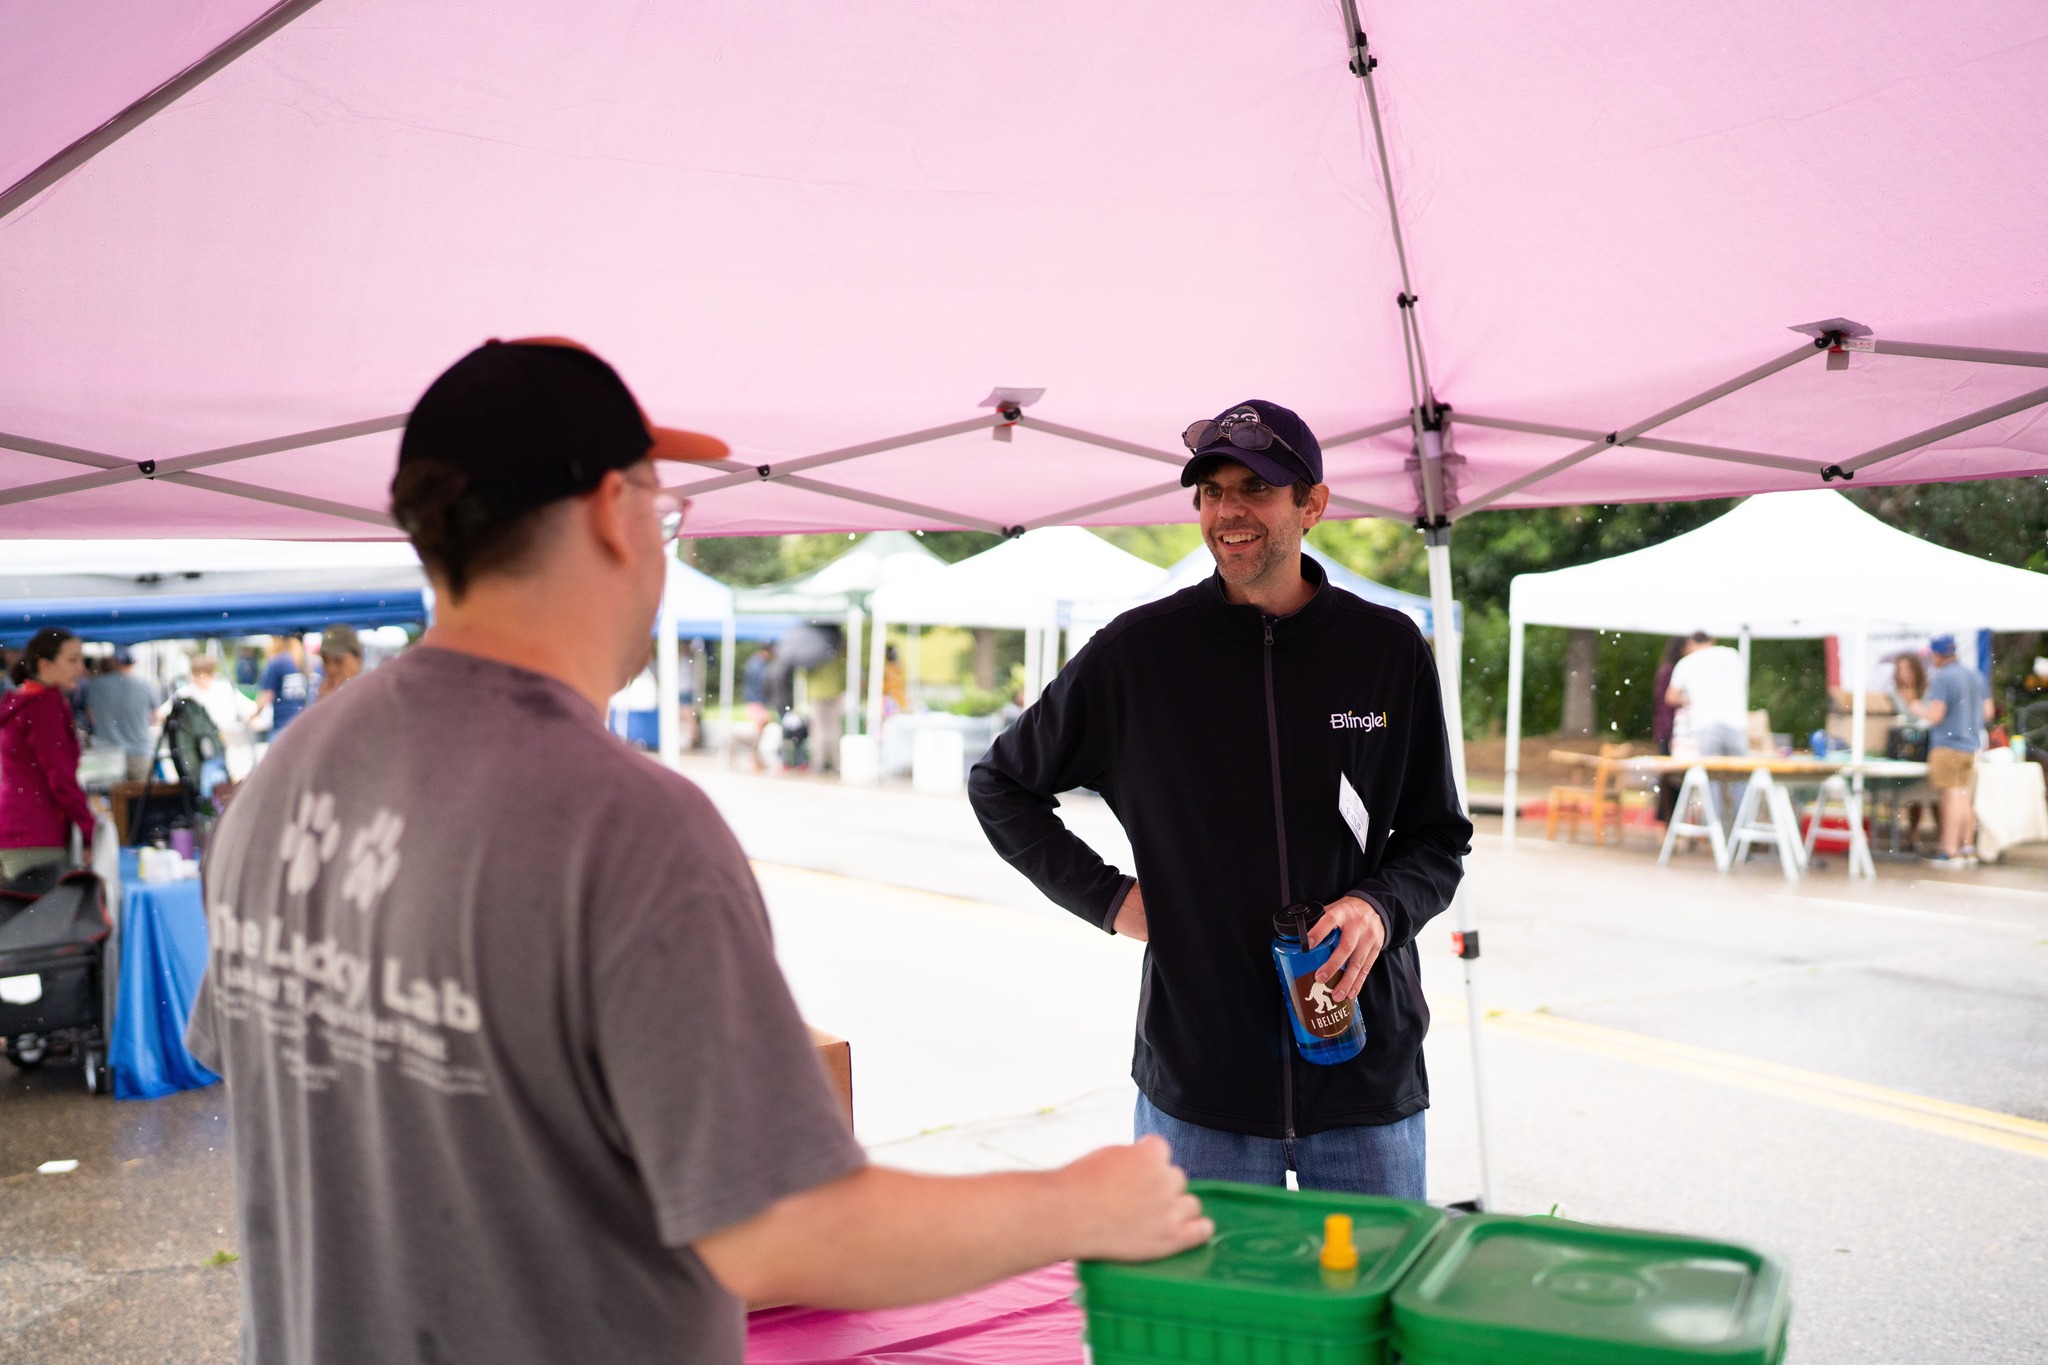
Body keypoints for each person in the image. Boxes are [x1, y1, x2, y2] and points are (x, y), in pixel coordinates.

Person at [185, 337, 1207, 1365]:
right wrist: (1078, 1204)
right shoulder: (623, 825)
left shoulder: (286, 773)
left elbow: (268, 1075)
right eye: (663, 506)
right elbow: (787, 1231)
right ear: (607, 513)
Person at [969, 400, 1472, 1197]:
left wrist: (1380, 907)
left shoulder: (1385, 651)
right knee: (1211, 1320)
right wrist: (1113, 900)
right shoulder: (1138, 656)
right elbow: (1001, 783)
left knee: (1370, 1311)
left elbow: (1438, 839)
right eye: (1209, 491)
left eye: (1255, 488)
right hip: (1199, 1090)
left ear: (1312, 505)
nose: (1227, 512)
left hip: (1364, 1076)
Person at [0, 628, 97, 879]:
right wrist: (89, 829)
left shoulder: (19, 702)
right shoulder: (44, 705)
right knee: (45, 915)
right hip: (37, 833)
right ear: (45, 665)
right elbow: (61, 777)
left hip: (14, 829)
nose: (81, 669)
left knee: (18, 916)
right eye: (72, 660)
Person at [1913, 634, 1991, 866]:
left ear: (1937, 655)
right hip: (1969, 743)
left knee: (1950, 796)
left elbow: (1936, 715)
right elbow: (1987, 713)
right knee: (1964, 795)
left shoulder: (1943, 677)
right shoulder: (1975, 675)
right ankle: (1967, 847)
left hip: (1948, 744)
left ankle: (1949, 850)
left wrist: (1917, 709)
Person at [170, 655, 260, 780]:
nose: (196, 679)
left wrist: (251, 722)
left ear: (210, 674)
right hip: (199, 751)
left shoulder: (224, 690)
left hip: (227, 745)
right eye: (195, 675)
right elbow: (166, 713)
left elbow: (251, 708)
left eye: (200, 675)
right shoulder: (186, 693)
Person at [1664, 632, 1748, 758]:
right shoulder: (1732, 655)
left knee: (1712, 770)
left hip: (1705, 723)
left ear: (1691, 643)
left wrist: (1691, 700)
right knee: (1739, 772)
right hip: (1735, 722)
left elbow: (1671, 697)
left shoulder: (1686, 663)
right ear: (1713, 640)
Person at [86, 646, 159, 781]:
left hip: (108, 754)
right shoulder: (146, 685)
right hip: (140, 752)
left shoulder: (96, 685)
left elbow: (91, 717)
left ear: (114, 661)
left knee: (111, 799)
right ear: (135, 662)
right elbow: (155, 717)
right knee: (142, 799)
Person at [1649, 636, 1686, 823]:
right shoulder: (1671, 672)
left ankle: (1672, 824)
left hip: (1671, 732)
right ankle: (1667, 824)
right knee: (1668, 782)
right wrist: (1670, 734)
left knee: (1672, 782)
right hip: (1669, 733)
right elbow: (1665, 708)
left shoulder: (1672, 670)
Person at [256, 633, 315, 738]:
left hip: (283, 725)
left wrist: (251, 717)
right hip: (303, 724)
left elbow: (266, 696)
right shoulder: (303, 662)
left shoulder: (276, 662)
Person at [741, 641, 776, 770]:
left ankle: (756, 760)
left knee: (759, 732)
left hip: (754, 701)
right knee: (758, 733)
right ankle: (755, 760)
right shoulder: (759, 665)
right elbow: (762, 685)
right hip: (757, 702)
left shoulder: (753, 662)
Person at [316, 624, 364, 700]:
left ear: (358, 657)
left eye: (338, 661)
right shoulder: (322, 693)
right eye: (325, 660)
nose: (330, 668)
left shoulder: (372, 693)